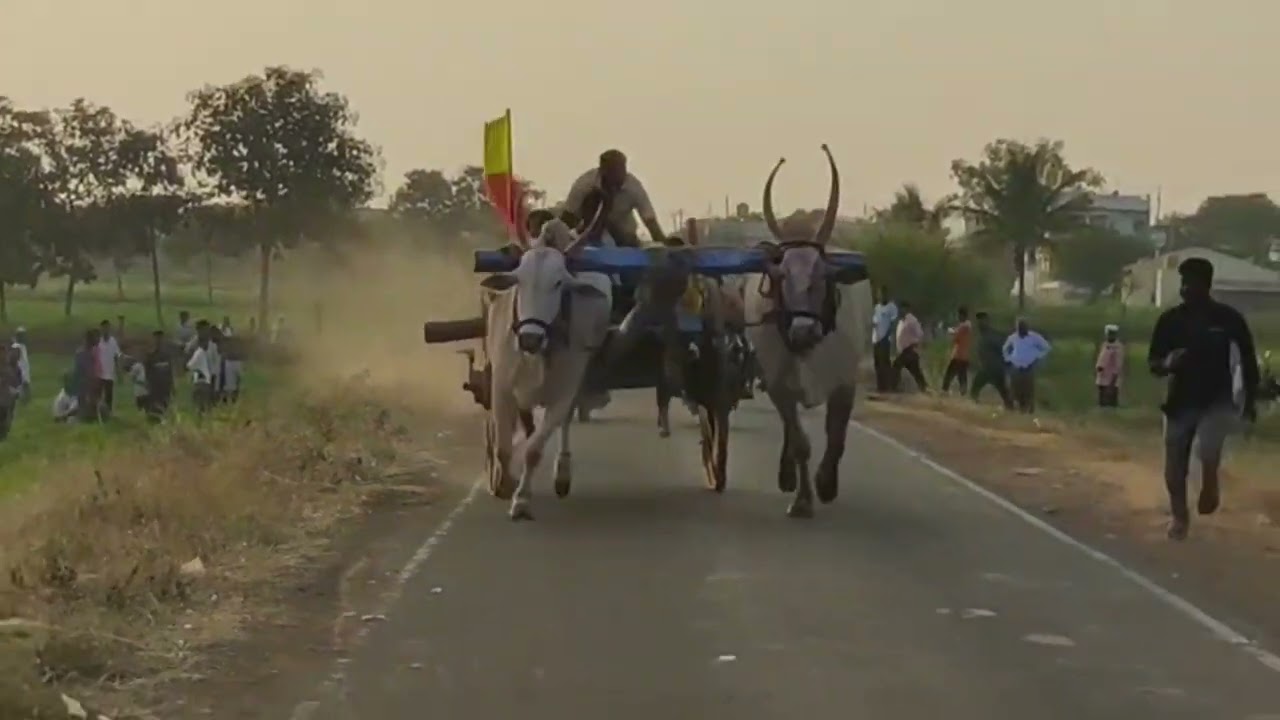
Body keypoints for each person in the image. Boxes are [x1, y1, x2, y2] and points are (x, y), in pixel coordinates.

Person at [1148, 257, 1258, 541]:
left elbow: (1248, 362)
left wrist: (1250, 402)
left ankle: (1210, 485)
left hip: (1216, 399)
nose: (1186, 288)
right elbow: (1154, 363)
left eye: (1192, 283)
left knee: (1208, 447)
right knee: (1174, 470)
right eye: (1183, 282)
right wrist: (1168, 363)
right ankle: (1179, 517)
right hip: (1179, 401)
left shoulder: (1228, 319)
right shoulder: (1170, 321)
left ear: (1206, 285)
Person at [559, 149, 665, 248]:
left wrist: (664, 244)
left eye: (622, 170)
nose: (619, 175)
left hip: (625, 236)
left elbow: (650, 221)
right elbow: (568, 217)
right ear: (602, 170)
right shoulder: (584, 185)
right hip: (589, 232)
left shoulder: (634, 187)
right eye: (613, 171)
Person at [1003, 317, 1051, 413]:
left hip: (1028, 367)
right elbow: (1005, 348)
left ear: (1026, 327)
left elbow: (1047, 347)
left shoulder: (1034, 337)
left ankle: (1029, 408)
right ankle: (1020, 408)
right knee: (1016, 389)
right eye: (1019, 328)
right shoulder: (1013, 337)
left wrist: (1038, 356)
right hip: (1016, 367)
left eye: (1022, 327)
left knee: (1028, 389)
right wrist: (1008, 358)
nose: (1020, 330)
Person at [968, 312, 1014, 409]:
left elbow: (1003, 349)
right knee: (1003, 391)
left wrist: (1006, 363)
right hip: (993, 367)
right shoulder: (984, 335)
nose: (980, 323)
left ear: (987, 322)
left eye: (982, 321)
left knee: (976, 385)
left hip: (992, 367)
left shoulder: (992, 335)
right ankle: (1010, 407)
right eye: (979, 321)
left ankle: (972, 404)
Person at [891, 301, 928, 392]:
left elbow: (920, 333)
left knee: (896, 366)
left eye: (903, 309)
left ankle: (894, 387)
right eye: (900, 309)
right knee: (915, 370)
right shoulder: (901, 321)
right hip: (903, 350)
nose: (901, 311)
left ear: (907, 309)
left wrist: (915, 343)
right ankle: (924, 387)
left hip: (909, 350)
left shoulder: (912, 320)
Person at [142, 330, 175, 420]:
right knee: (155, 407)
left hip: (165, 386)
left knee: (165, 407)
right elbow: (146, 372)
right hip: (155, 387)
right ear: (154, 339)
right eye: (157, 338)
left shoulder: (167, 355)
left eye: (160, 338)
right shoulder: (150, 355)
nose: (159, 340)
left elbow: (170, 371)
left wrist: (172, 385)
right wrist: (147, 385)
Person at [870, 287, 898, 393]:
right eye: (879, 294)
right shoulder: (877, 307)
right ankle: (880, 386)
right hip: (876, 339)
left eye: (882, 294)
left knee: (884, 363)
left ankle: (888, 385)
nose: (880, 296)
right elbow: (874, 322)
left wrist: (887, 335)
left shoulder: (892, 307)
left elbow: (893, 323)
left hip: (885, 339)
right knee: (877, 363)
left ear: (886, 295)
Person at [72, 328, 102, 423]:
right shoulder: (83, 353)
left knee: (89, 404)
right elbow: (84, 371)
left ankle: (87, 418)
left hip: (87, 383)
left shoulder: (88, 352)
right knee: (85, 404)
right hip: (85, 384)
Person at [941, 306, 972, 395]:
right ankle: (963, 393)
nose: (958, 317)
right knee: (962, 375)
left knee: (950, 373)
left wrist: (949, 330)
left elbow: (955, 335)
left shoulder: (964, 326)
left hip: (959, 355)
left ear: (962, 315)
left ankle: (945, 390)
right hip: (965, 355)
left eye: (959, 315)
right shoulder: (968, 326)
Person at [1095, 324, 1125, 408]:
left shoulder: (1117, 347)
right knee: (1102, 397)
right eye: (1109, 334)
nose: (1110, 336)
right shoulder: (1105, 345)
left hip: (1111, 378)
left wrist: (1114, 378)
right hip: (1102, 376)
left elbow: (1118, 364)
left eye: (1112, 334)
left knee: (1111, 397)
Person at [96, 319, 122, 413]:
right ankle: (97, 413)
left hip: (110, 373)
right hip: (99, 373)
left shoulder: (113, 341)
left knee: (109, 396)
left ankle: (108, 413)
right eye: (103, 328)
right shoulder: (98, 342)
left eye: (107, 328)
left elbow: (116, 356)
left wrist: (118, 372)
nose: (105, 330)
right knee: (98, 395)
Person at [187, 335, 215, 414]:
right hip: (201, 382)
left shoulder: (205, 353)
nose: (207, 344)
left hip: (205, 382)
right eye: (206, 342)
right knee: (201, 407)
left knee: (204, 407)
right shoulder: (199, 353)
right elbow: (189, 365)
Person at [11, 326, 30, 403]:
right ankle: (21, 400)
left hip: (25, 368)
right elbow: (14, 357)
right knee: (21, 387)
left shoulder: (22, 345)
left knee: (25, 386)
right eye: (22, 335)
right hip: (20, 369)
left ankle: (25, 400)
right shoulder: (17, 346)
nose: (24, 337)